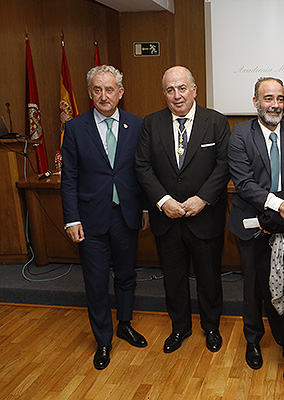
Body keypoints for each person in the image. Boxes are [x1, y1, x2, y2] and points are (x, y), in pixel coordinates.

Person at [135, 66, 230, 354]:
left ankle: (211, 327)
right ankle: (179, 328)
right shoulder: (151, 124)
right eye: (170, 90)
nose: (177, 95)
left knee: (209, 278)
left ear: (194, 89)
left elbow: (224, 165)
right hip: (168, 219)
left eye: (182, 88)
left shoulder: (216, 122)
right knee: (173, 279)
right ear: (164, 93)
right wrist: (163, 201)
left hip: (205, 217)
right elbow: (142, 166)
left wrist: (202, 198)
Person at [61, 65, 149, 370]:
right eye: (97, 90)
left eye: (109, 89)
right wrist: (72, 219)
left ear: (120, 92)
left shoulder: (137, 126)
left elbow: (143, 172)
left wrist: (146, 209)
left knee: (126, 276)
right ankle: (103, 340)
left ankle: (124, 323)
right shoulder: (75, 128)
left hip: (126, 215)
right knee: (96, 282)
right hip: (90, 220)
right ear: (89, 93)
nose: (104, 95)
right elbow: (69, 178)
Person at [227, 77, 284, 372]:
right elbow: (243, 183)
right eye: (268, 99)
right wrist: (280, 207)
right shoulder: (240, 134)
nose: (275, 105)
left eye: (280, 98)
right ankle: (253, 339)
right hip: (253, 224)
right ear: (256, 102)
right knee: (253, 286)